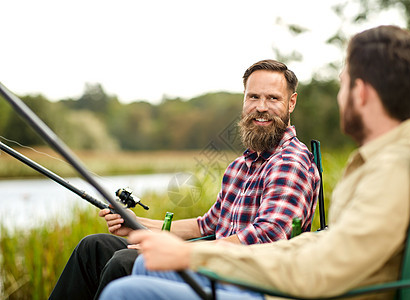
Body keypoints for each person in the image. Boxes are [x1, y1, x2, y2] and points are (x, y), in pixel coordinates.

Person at [99, 25, 410, 300]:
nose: (339, 97)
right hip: (269, 275)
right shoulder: (390, 161)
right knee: (127, 262)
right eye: (253, 97)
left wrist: (193, 256)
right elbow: (326, 245)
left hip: (274, 289)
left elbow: (315, 265)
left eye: (342, 86)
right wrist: (147, 229)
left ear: (360, 93)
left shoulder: (388, 172)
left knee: (124, 289)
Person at [49, 59, 321, 300]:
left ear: (291, 102)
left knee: (125, 261)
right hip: (212, 262)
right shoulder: (241, 166)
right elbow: (206, 224)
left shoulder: (290, 162)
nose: (261, 107)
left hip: (244, 278)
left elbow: (268, 236)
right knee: (93, 247)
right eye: (253, 97)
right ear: (244, 101)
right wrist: (136, 225)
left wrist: (181, 252)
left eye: (272, 98)